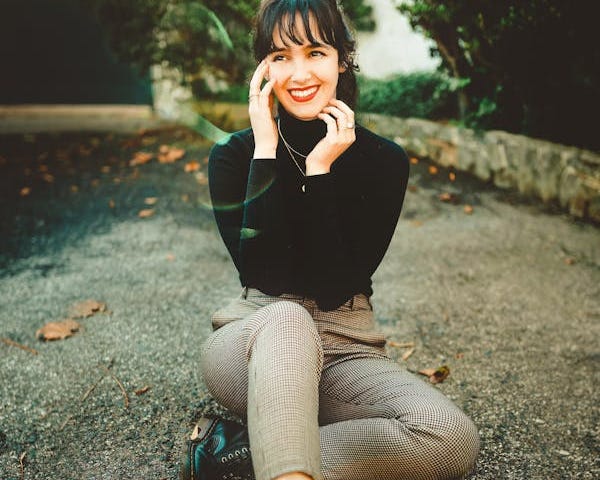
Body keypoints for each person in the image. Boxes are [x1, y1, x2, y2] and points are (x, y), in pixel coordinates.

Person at [181, 1, 480, 479]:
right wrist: (265, 150)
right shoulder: (234, 157)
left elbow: (336, 284)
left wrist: (320, 170)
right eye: (280, 56)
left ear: (342, 58)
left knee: (449, 437)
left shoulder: (383, 161)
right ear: (263, 68)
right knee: (288, 316)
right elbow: (267, 276)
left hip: (346, 351)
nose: (299, 73)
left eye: (315, 52)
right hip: (255, 343)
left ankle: (234, 459)